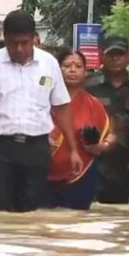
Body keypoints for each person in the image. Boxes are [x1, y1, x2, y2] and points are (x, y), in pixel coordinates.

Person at [0, 10, 82, 213]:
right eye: (12, 43)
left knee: (30, 214)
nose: (18, 48)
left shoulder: (49, 64)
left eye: (24, 42)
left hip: (37, 148)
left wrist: (73, 150)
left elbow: (61, 108)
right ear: (4, 39)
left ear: (34, 38)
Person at [44, 50, 116, 210]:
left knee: (76, 225)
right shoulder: (42, 100)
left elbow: (110, 134)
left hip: (81, 173)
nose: (72, 70)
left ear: (85, 71)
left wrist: (100, 147)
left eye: (78, 66)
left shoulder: (93, 104)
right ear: (58, 69)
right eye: (67, 65)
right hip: (42, 171)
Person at [85, 36, 129, 204]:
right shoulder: (88, 86)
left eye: (120, 54)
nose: (116, 58)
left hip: (123, 162)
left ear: (128, 55)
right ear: (102, 56)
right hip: (92, 159)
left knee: (118, 214)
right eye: (111, 54)